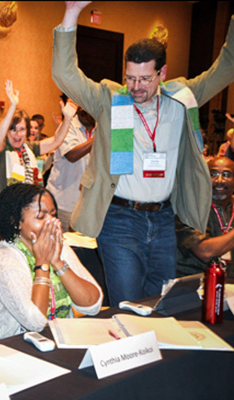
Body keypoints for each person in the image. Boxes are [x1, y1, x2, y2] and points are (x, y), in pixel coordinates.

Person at [53, 1, 234, 306]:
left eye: (145, 79)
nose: (135, 87)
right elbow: (65, 74)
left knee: (160, 301)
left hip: (164, 220)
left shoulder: (182, 98)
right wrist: (71, 14)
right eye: (130, 77)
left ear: (162, 72)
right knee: (128, 304)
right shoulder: (111, 98)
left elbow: (224, 69)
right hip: (120, 218)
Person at [0, 183, 102, 352]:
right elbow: (35, 322)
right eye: (41, 217)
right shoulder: (4, 258)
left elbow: (93, 305)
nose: (51, 223)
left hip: (47, 341)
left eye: (53, 215)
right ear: (15, 222)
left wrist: (58, 263)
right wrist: (43, 263)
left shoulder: (60, 247)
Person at [0, 80, 73, 210]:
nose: (17, 134)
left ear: (27, 131)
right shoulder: (1, 149)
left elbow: (56, 141)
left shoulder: (29, 147)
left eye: (22, 129)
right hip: (4, 213)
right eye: (13, 129)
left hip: (28, 212)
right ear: (6, 131)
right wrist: (13, 106)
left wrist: (67, 120)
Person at [176, 157, 234, 278]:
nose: (219, 180)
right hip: (194, 283)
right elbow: (205, 251)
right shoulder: (189, 208)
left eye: (226, 175)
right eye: (213, 174)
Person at [47, 104, 95, 232]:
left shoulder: (99, 129)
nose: (84, 109)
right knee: (63, 249)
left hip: (88, 207)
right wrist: (99, 138)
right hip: (64, 204)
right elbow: (72, 155)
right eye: (81, 104)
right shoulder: (67, 127)